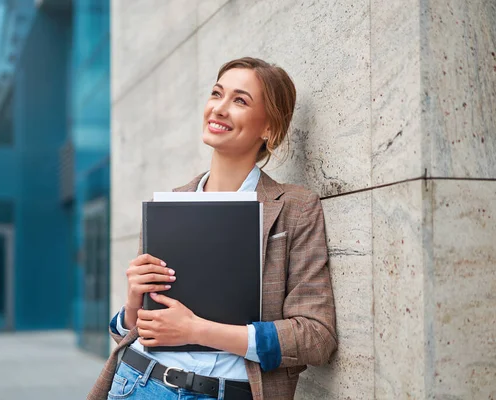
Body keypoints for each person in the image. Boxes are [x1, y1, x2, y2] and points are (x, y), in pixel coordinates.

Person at [88, 57, 337, 400]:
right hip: (138, 384)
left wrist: (198, 330)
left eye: (239, 100)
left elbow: (317, 336)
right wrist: (134, 302)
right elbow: (133, 331)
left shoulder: (295, 208)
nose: (219, 108)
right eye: (216, 94)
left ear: (269, 128)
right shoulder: (170, 204)